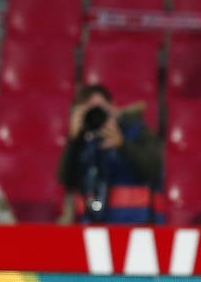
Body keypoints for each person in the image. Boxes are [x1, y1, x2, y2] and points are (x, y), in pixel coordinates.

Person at [57, 83, 163, 225]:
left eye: (99, 109)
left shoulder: (137, 131)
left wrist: (122, 145)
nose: (96, 116)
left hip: (136, 225)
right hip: (90, 226)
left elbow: (153, 169)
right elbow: (66, 180)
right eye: (88, 111)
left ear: (113, 107)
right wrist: (73, 142)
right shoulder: (81, 143)